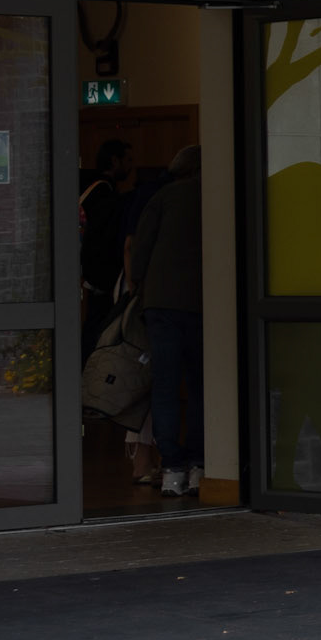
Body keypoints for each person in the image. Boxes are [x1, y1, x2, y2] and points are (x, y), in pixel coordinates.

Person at [128, 144, 204, 497]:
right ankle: (199, 465)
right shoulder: (217, 197)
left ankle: (172, 468)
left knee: (166, 386)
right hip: (205, 303)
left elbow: (140, 251)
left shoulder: (162, 197)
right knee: (201, 386)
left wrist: (140, 289)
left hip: (161, 304)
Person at [79, 139, 133, 352]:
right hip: (99, 278)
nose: (131, 166)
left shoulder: (89, 188)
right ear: (114, 161)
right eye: (128, 160)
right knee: (98, 331)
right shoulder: (105, 195)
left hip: (89, 276)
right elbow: (103, 239)